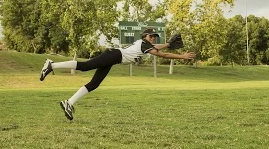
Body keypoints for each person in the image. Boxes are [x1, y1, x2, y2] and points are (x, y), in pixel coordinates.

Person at [40, 28, 196, 120]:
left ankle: (69, 103)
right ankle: (51, 65)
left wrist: (168, 44)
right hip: (114, 55)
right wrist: (182, 56)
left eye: (154, 36)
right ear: (144, 37)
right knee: (85, 66)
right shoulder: (143, 44)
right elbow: (163, 55)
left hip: (114, 58)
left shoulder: (144, 44)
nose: (153, 38)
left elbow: (158, 47)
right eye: (151, 36)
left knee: (94, 84)